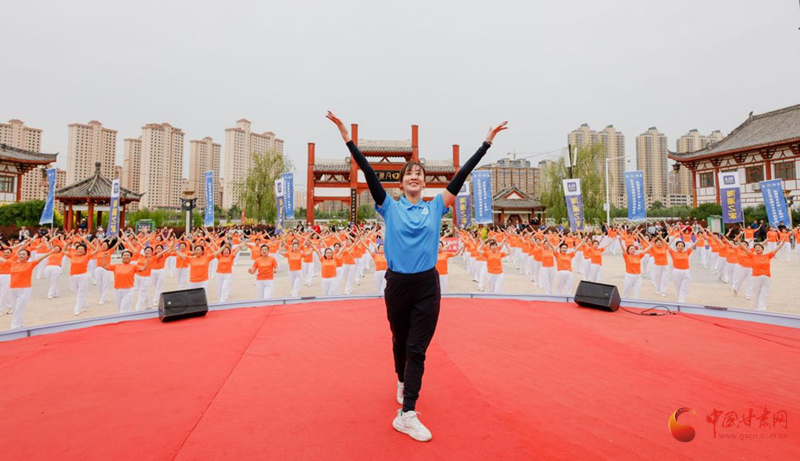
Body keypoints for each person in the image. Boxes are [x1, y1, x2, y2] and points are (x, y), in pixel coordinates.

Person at [328, 111, 507, 442]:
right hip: (397, 285)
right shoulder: (389, 206)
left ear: (424, 183)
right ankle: (401, 379)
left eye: (419, 174)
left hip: (427, 285)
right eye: (409, 173)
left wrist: (486, 143)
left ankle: (407, 413)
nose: (414, 176)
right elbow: (367, 171)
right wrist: (347, 138)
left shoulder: (436, 206)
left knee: (417, 348)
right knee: (399, 341)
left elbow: (462, 175)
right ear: (401, 183)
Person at [0, 248, 54, 329]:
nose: (21, 256)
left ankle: (14, 327)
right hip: (13, 289)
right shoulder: (13, 263)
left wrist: (51, 252)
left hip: (24, 289)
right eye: (20, 254)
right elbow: (2, 259)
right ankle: (21, 325)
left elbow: (41, 258)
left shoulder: (30, 264)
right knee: (15, 309)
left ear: (28, 256)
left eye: (23, 254)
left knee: (19, 308)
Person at [102, 245, 152, 314]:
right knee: (119, 308)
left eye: (128, 255)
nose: (126, 256)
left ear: (130, 258)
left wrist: (148, 259)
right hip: (117, 289)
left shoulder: (134, 266)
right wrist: (104, 257)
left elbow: (143, 268)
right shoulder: (116, 266)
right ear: (122, 257)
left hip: (128, 290)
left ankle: (124, 319)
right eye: (124, 255)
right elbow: (105, 266)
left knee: (124, 308)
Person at [742, 239, 785, 311]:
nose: (757, 248)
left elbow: (776, 249)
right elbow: (744, 249)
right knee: (756, 293)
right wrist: (739, 241)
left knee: (764, 293)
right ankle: (756, 307)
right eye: (756, 248)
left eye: (759, 247)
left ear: (763, 249)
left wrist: (782, 243)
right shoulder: (752, 256)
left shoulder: (768, 256)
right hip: (756, 277)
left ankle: (762, 308)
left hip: (767, 277)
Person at [617, 232, 654, 299]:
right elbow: (623, 250)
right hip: (629, 275)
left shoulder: (638, 256)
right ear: (628, 251)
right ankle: (624, 300)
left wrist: (651, 245)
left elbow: (645, 251)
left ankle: (636, 301)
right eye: (631, 249)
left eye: (634, 249)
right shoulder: (626, 256)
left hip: (638, 276)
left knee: (637, 291)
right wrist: (620, 242)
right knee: (627, 290)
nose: (633, 250)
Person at [666, 235, 698, 303]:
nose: (680, 247)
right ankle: (680, 301)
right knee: (678, 288)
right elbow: (667, 245)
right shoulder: (673, 253)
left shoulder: (687, 252)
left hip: (686, 272)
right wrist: (671, 238)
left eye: (682, 246)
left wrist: (700, 238)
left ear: (684, 247)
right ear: (676, 246)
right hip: (676, 272)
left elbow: (693, 245)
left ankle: (681, 302)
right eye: (679, 245)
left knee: (684, 288)